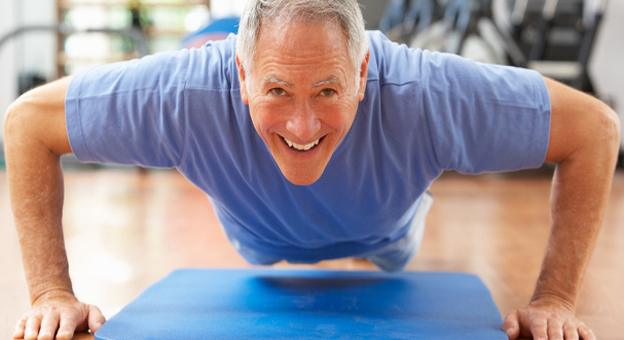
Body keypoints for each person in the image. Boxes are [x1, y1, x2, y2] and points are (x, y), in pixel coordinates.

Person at [3, 0, 620, 339]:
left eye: (328, 90)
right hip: (259, 239)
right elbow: (28, 124)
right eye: (276, 90)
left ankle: (374, 237)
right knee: (266, 251)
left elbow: (594, 130)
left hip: (386, 232)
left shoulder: (428, 94)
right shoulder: (182, 94)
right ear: (241, 78)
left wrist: (556, 300)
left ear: (362, 74)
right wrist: (51, 292)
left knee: (390, 247)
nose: (303, 125)